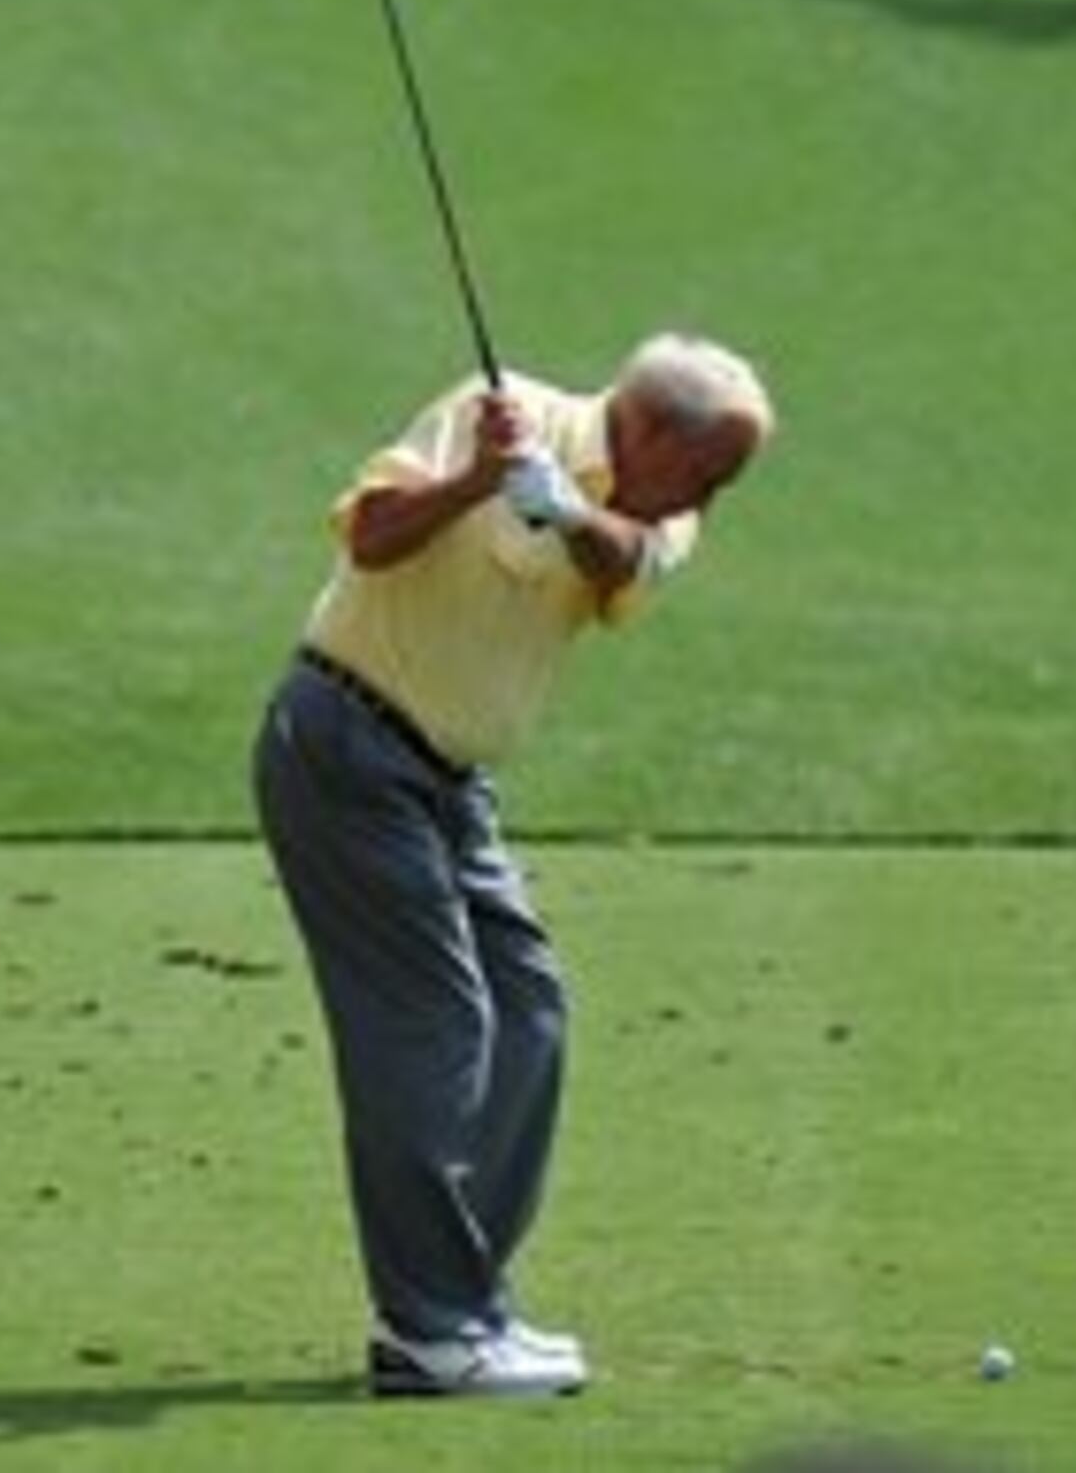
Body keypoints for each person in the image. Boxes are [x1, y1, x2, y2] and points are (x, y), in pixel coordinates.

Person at [249, 334, 776, 1399]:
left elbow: (631, 557)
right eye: (712, 471)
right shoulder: (496, 411)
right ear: (646, 431)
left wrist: (568, 513)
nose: (716, 497)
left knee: (529, 1011)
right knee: (436, 1026)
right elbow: (370, 535)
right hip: (348, 746)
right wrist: (480, 480)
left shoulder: (663, 510)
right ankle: (431, 1326)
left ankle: (460, 1304)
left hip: (450, 784)